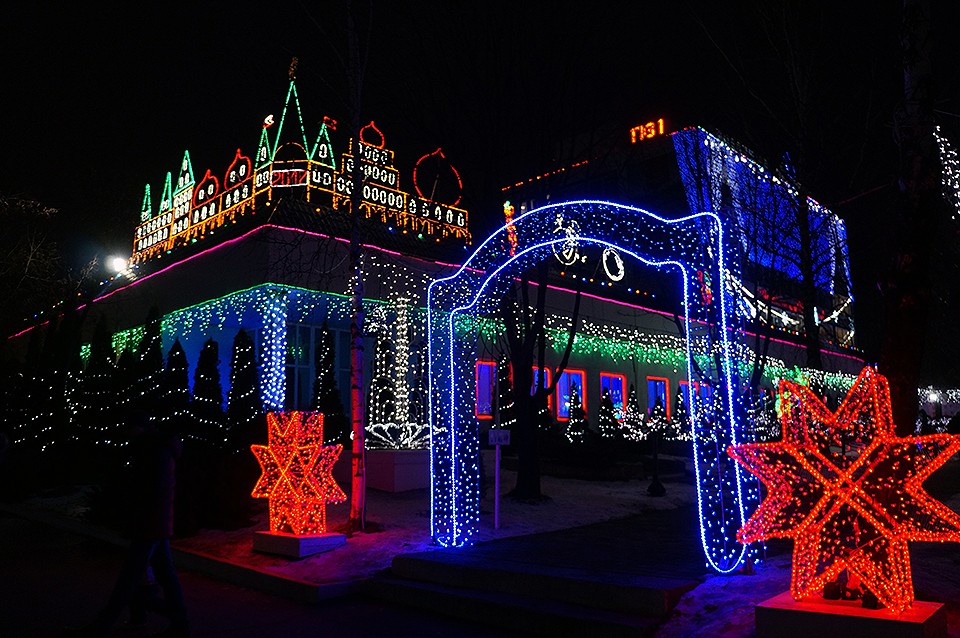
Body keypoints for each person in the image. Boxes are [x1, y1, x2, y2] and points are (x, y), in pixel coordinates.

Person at [79, 411, 189, 637]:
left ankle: (103, 625)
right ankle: (178, 622)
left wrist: (134, 515)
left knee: (130, 578)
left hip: (149, 523)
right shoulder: (158, 447)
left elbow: (149, 490)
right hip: (156, 522)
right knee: (162, 574)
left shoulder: (152, 450)